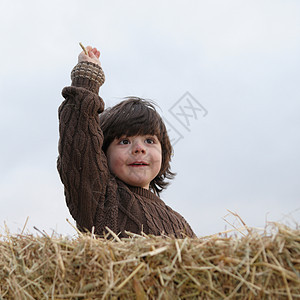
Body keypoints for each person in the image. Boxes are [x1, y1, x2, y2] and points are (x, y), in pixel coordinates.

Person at [57, 46, 196, 238]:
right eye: (124, 142)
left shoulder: (179, 224)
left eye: (149, 140)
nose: (139, 149)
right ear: (102, 154)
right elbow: (79, 149)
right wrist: (87, 79)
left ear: (164, 153)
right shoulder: (101, 199)